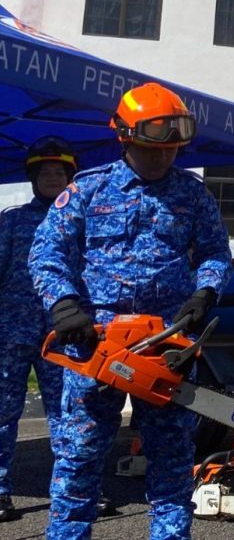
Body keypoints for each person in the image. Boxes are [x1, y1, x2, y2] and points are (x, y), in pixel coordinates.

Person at [30, 82, 232, 540]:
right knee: (79, 455)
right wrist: (64, 305)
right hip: (94, 340)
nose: (164, 158)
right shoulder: (88, 189)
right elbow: (47, 252)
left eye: (173, 149)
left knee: (171, 456)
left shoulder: (193, 194)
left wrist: (205, 292)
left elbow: (216, 252)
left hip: (167, 341)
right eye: (152, 148)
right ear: (124, 137)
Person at [0, 137, 77, 523]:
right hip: (11, 333)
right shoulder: (12, 220)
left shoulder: (81, 222)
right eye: (45, 172)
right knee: (2, 414)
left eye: (59, 173)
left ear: (69, 178)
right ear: (33, 177)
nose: (52, 178)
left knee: (68, 416)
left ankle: (73, 491)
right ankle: (0, 491)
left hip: (62, 336)